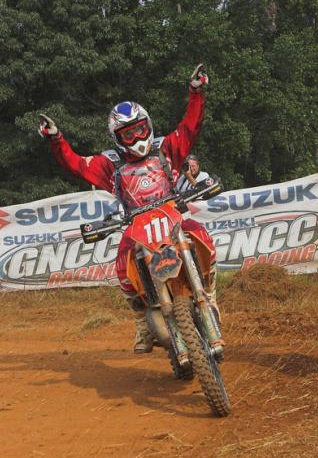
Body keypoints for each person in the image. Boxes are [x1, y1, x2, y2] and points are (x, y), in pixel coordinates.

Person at [39, 64, 219, 355]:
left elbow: (190, 126)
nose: (136, 139)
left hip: (172, 216)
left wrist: (196, 92)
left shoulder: (166, 148)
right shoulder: (111, 164)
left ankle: (207, 291)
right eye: (128, 135)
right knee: (122, 266)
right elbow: (75, 164)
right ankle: (141, 322)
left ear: (148, 125)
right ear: (117, 138)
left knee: (202, 236)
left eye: (139, 130)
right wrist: (56, 140)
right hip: (136, 226)